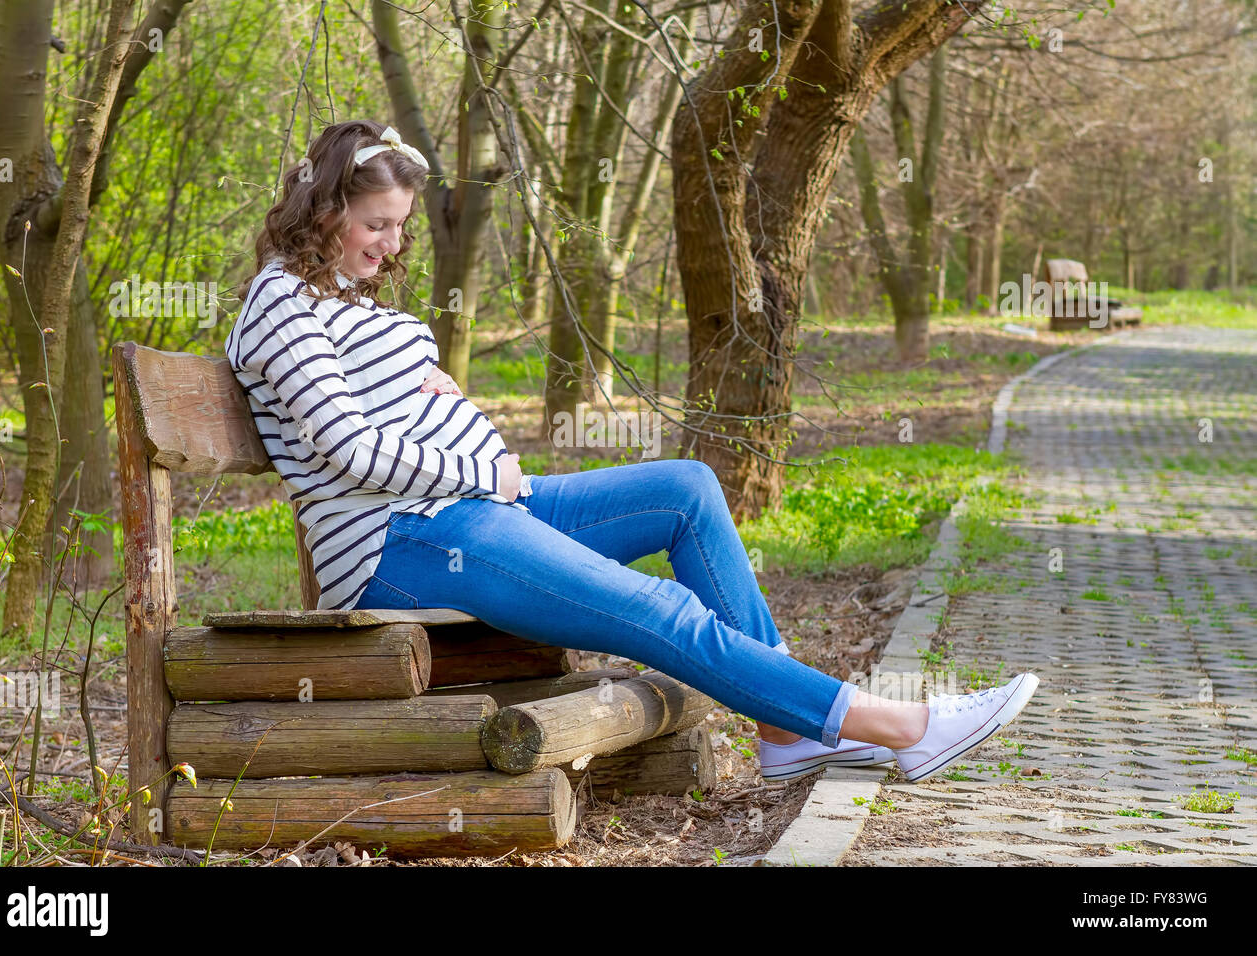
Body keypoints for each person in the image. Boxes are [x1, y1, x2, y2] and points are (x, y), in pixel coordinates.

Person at [227, 120, 1039, 785]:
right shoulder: (283, 302)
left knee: (685, 489)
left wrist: (438, 399)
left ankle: (786, 729)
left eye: (401, 227)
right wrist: (480, 464)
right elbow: (348, 448)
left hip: (476, 509)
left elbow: (387, 409)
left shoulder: (348, 299)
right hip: (401, 542)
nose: (391, 245)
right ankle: (901, 725)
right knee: (660, 611)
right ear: (325, 209)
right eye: (377, 224)